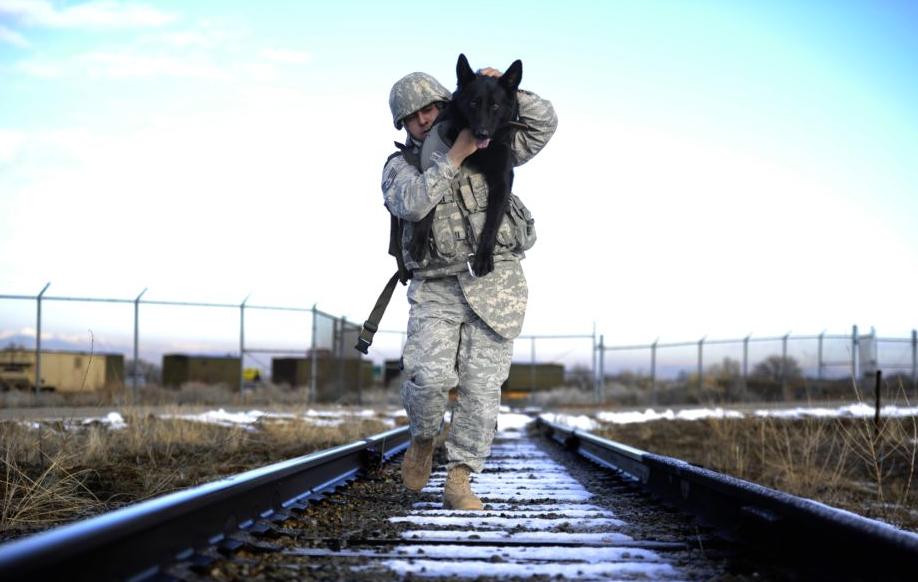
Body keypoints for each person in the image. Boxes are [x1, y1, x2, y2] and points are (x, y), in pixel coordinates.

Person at [383, 67, 557, 509]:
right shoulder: (399, 166)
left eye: (430, 109)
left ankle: (460, 478)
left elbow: (545, 122)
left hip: (494, 284)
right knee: (427, 378)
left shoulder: (497, 141)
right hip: (436, 286)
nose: (423, 119)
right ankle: (423, 438)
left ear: (448, 105)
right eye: (412, 116)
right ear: (402, 124)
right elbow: (411, 202)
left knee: (481, 392)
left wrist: (504, 86)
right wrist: (453, 157)